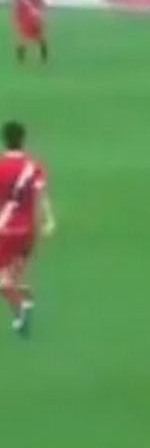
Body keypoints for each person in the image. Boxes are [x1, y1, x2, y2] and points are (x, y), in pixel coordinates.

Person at [0, 121, 55, 339]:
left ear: (4, 140)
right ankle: (23, 301)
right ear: (23, 140)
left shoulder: (1, 167)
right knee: (10, 277)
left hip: (5, 231)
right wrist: (49, 220)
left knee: (3, 281)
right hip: (28, 231)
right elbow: (42, 195)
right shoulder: (34, 167)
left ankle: (22, 307)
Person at [8, 0, 51, 65]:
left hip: (30, 15)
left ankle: (40, 56)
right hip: (26, 15)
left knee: (36, 36)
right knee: (30, 36)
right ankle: (28, 56)